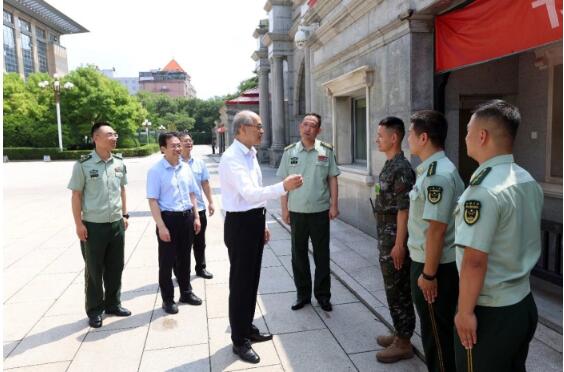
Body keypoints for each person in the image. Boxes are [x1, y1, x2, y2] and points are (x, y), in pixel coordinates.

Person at [454, 100, 542, 372]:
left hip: (491, 311)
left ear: (482, 136)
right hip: (523, 303)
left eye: (468, 131)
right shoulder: (527, 179)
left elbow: (474, 260)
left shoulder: (483, 190)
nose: (466, 137)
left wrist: (465, 312)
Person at [219, 110, 303, 364]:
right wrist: (283, 188)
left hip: (253, 220)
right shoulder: (232, 157)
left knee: (252, 280)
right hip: (240, 224)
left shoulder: (250, 153)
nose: (262, 130)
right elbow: (249, 193)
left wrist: (263, 223)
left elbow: (254, 199)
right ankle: (239, 340)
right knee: (241, 283)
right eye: (258, 126)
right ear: (242, 129)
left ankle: (247, 327)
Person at [406, 110, 464, 372]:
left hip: (434, 265)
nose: (408, 138)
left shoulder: (437, 175)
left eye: (410, 133)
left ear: (424, 137)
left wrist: (428, 275)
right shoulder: (432, 169)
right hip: (432, 261)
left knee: (436, 335)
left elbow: (436, 230)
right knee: (438, 329)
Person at [68, 122, 131, 328]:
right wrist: (79, 224)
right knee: (94, 270)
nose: (114, 138)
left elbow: (122, 190)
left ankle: (113, 303)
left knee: (116, 266)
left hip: (116, 224)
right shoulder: (83, 165)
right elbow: (76, 196)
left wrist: (125, 214)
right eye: (110, 135)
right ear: (96, 138)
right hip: (93, 226)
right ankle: (95, 310)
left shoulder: (119, 162)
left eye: (115, 134)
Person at [276, 113, 340, 312]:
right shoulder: (290, 152)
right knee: (298, 255)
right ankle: (302, 295)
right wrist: (284, 209)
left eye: (312, 125)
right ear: (299, 128)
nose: (308, 128)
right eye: (305, 124)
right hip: (297, 212)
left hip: (320, 211)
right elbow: (283, 184)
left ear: (318, 130)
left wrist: (334, 204)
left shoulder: (326, 151)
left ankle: (323, 296)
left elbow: (332, 179)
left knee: (322, 255)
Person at [372, 117, 416, 363]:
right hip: (385, 236)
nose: (377, 139)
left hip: (394, 240)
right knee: (392, 288)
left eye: (380, 135)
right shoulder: (390, 164)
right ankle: (400, 332)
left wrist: (399, 244)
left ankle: (404, 341)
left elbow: (404, 209)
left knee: (398, 288)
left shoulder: (401, 168)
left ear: (394, 138)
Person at [147, 132, 202, 315]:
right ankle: (168, 299)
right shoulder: (156, 171)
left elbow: (192, 194)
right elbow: (153, 200)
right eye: (174, 145)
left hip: (186, 217)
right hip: (168, 219)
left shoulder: (185, 168)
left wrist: (196, 217)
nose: (178, 148)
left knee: (185, 258)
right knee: (167, 261)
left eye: (179, 145)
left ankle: (186, 292)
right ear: (163, 148)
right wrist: (161, 226)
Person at [178, 132, 215, 279]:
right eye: (185, 141)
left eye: (190, 140)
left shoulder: (199, 162)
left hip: (199, 208)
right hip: (182, 211)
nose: (188, 143)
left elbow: (205, 183)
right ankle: (180, 271)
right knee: (182, 244)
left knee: (200, 242)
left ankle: (201, 267)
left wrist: (210, 201)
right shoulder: (175, 162)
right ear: (178, 144)